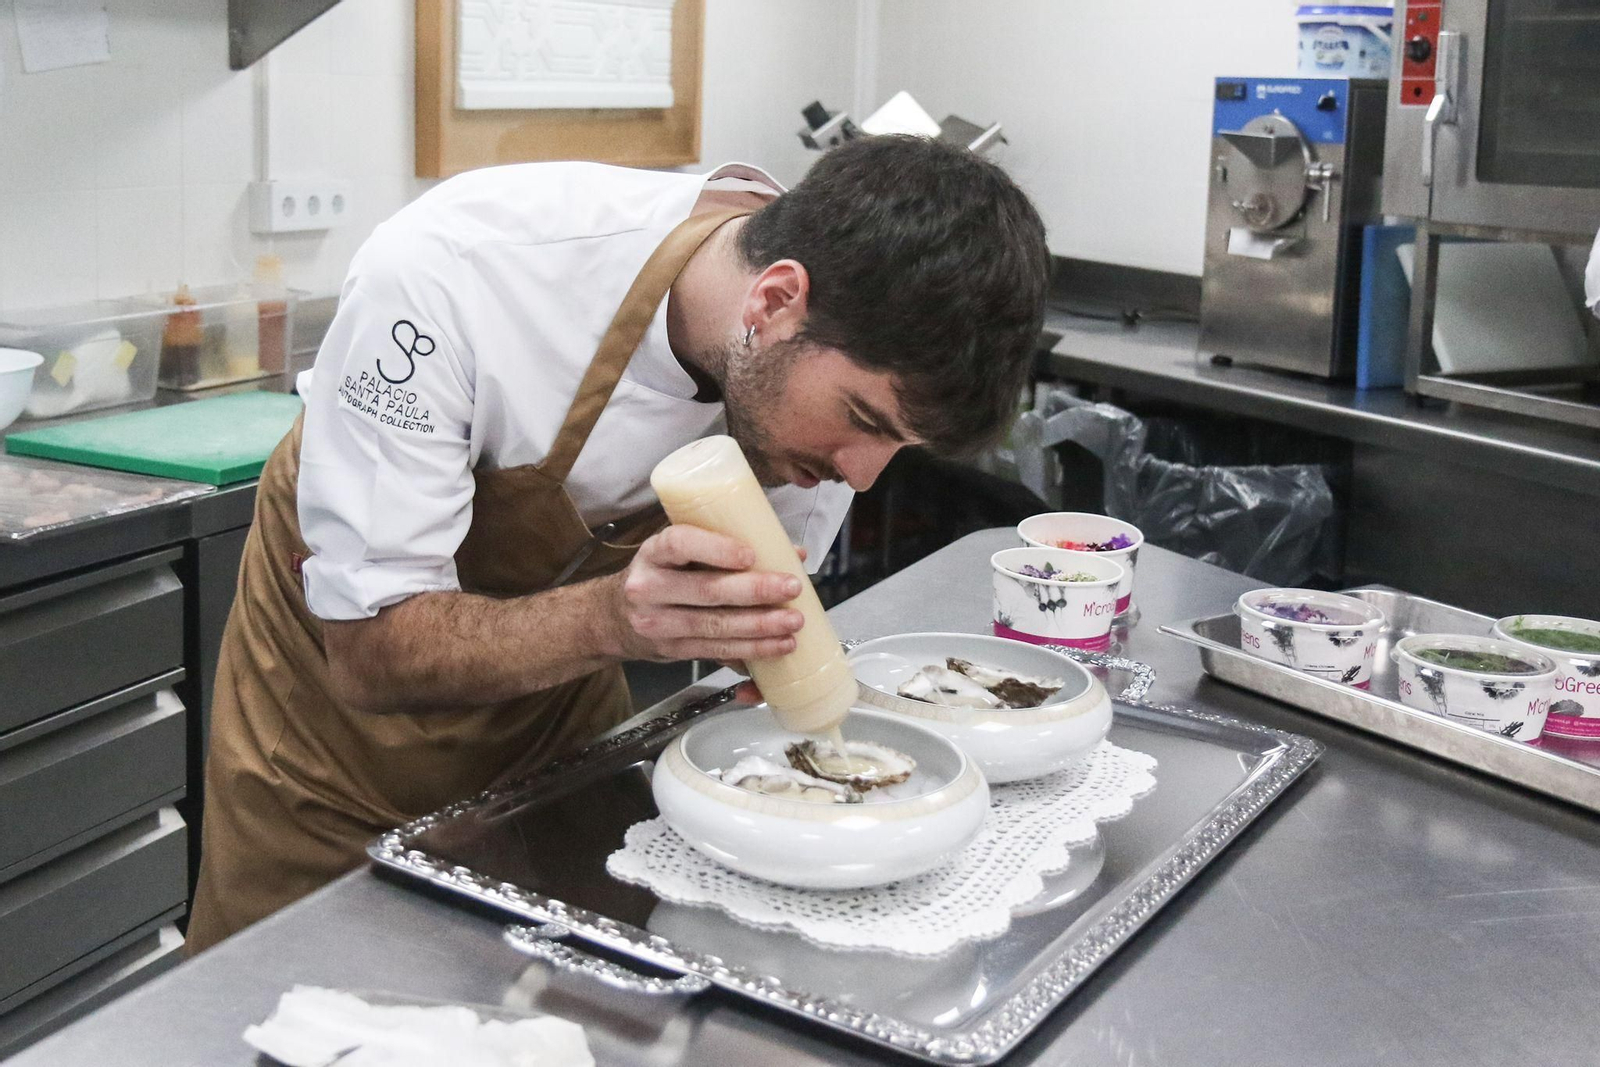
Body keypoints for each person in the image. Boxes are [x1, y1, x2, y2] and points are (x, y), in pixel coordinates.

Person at [186, 134, 1051, 952]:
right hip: (331, 752)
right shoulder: (453, 275)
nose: (862, 477)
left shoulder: (819, 371)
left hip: (552, 719)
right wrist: (614, 618)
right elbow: (370, 655)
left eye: (896, 445)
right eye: (862, 419)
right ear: (775, 300)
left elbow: (759, 641)